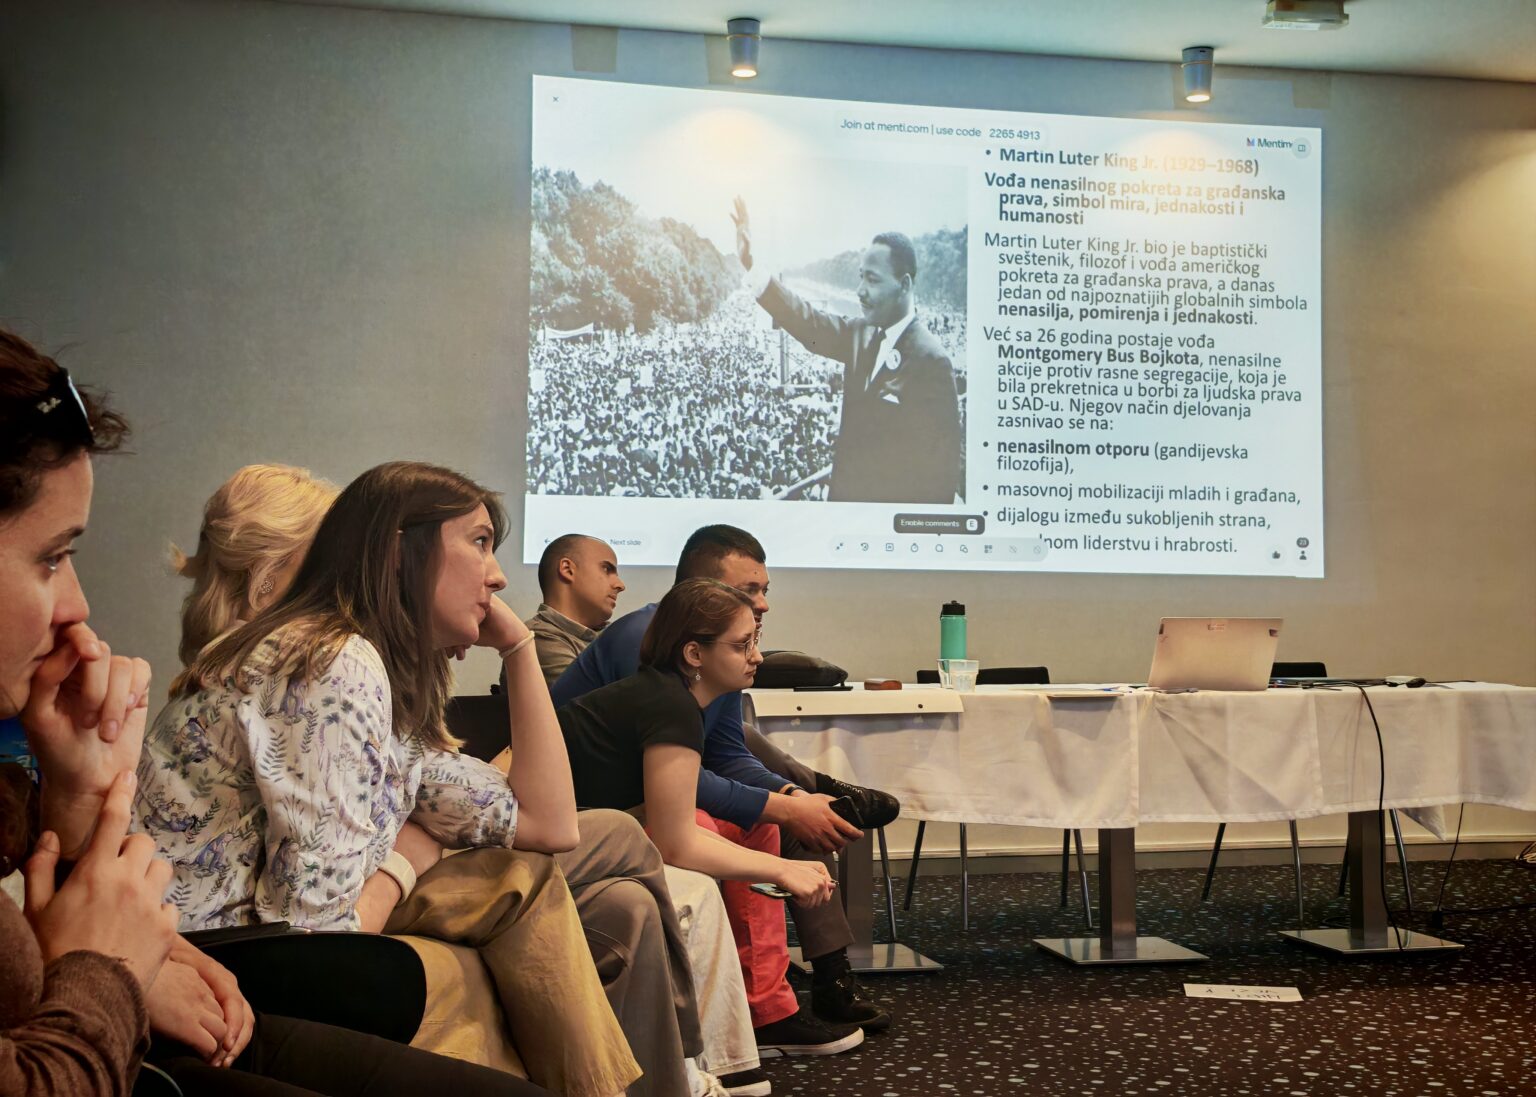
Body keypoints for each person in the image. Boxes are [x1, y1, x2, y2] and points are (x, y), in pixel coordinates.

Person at [0, 329, 548, 1096]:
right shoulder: (326, 662)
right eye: (52, 557)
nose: (79, 606)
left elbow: (89, 920)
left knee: (562, 875)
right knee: (526, 891)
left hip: (188, 977)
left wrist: (77, 799)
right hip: (227, 970)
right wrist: (406, 856)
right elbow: (313, 916)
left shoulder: (323, 668)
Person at [166, 466, 755, 1096]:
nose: (498, 577)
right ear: (401, 553)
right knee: (527, 878)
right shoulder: (333, 662)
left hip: (294, 938)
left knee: (619, 888)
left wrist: (519, 647)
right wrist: (407, 860)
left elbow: (550, 823)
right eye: (479, 543)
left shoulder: (368, 671)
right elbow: (317, 937)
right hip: (235, 958)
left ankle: (663, 1080)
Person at [554, 525, 898, 1036]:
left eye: (764, 591)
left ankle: (773, 1006)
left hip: (631, 803)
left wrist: (789, 799)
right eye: (748, 591)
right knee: (722, 824)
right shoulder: (653, 661)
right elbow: (677, 789)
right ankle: (717, 1020)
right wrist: (784, 820)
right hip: (584, 816)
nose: (762, 606)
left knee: (768, 822)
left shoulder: (712, 665)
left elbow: (726, 757)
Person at [732, 197, 963, 504]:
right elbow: (808, 322)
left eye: (873, 279)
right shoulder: (860, 333)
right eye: (860, 276)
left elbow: (940, 478)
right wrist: (751, 264)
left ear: (905, 285)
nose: (860, 290)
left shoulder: (932, 361)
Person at [525, 533, 626, 685]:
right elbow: (594, 699)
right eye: (606, 569)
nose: (620, 585)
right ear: (567, 569)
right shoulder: (537, 640)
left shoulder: (614, 635)